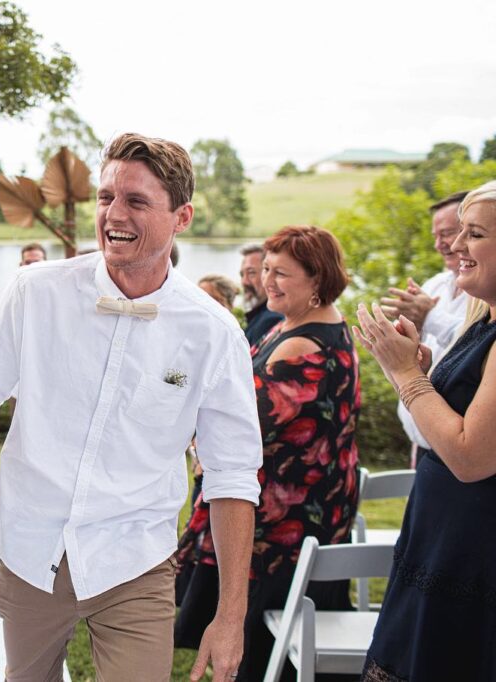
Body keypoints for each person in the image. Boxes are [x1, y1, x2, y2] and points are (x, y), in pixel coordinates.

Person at [0, 133, 262, 682]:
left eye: (137, 201)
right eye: (106, 197)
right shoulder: (34, 291)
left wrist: (230, 615)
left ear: (181, 216)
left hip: (135, 557)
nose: (113, 214)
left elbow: (232, 476)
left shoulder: (214, 335)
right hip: (30, 544)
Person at [175, 226, 361, 680]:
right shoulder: (294, 324)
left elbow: (237, 424)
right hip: (307, 509)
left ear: (317, 280)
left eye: (281, 273)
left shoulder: (302, 347)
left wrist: (178, 392)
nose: (267, 281)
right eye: (266, 270)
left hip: (286, 525)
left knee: (259, 651)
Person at [357, 181, 496, 682]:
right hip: (440, 546)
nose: (455, 247)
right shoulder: (483, 323)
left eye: (473, 234)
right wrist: (423, 367)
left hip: (473, 560)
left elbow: (471, 456)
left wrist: (405, 374)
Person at [380, 191, 471, 462]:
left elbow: (478, 345)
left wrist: (429, 316)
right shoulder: (435, 285)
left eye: (446, 233)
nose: (439, 244)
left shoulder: (485, 293)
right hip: (423, 448)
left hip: (461, 448)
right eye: (435, 236)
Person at [239, 242, 283, 345]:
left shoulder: (272, 319)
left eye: (251, 273)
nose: (244, 282)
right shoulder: (258, 316)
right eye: (242, 275)